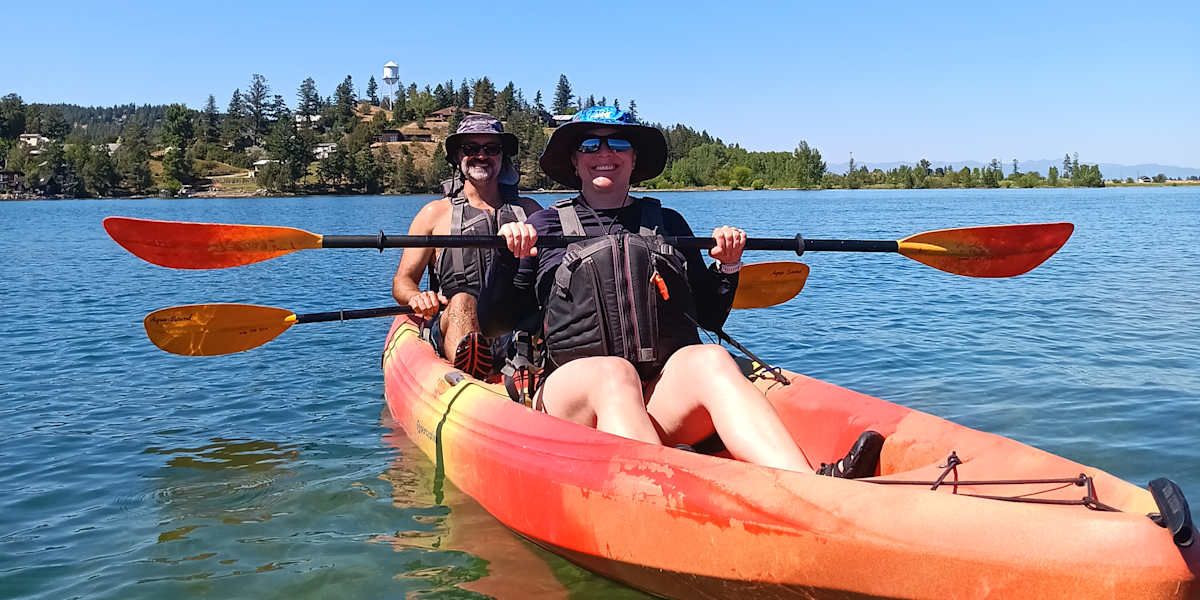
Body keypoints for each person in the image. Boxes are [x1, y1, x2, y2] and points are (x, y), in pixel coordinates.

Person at [480, 106, 881, 476]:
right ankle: (663, 492)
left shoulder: (666, 222)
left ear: (634, 159)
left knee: (709, 357)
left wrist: (728, 265)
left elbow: (706, 316)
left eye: (618, 143)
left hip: (655, 400)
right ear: (575, 160)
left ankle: (808, 486)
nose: (605, 152)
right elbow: (495, 323)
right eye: (590, 144)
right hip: (573, 403)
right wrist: (506, 257)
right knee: (613, 373)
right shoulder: (544, 227)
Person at [392, 114, 542, 379]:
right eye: (471, 149)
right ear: (457, 157)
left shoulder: (529, 211)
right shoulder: (433, 214)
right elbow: (403, 281)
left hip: (515, 327)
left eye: (491, 149)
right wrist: (417, 296)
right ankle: (471, 377)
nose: (481, 155)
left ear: (502, 157)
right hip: (455, 323)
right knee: (463, 301)